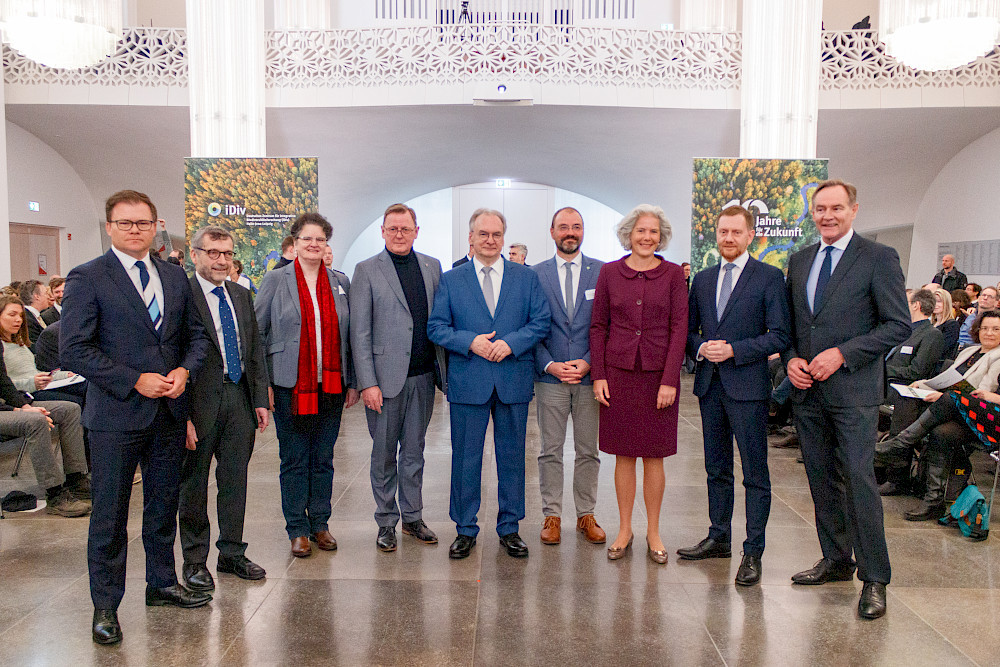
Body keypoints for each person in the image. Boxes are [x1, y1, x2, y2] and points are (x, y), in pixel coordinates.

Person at [61, 189, 212, 645]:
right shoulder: (88, 276)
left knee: (163, 505)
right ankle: (105, 606)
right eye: (125, 223)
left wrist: (185, 369)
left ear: (155, 226)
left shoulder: (173, 275)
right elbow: (74, 349)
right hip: (115, 416)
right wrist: (133, 379)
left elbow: (198, 336)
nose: (134, 230)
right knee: (109, 514)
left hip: (169, 412)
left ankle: (162, 583)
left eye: (142, 223)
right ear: (109, 227)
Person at [781, 179, 910, 620]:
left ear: (854, 210)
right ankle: (837, 559)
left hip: (853, 391)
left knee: (858, 481)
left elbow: (898, 324)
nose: (828, 215)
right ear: (812, 213)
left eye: (837, 208)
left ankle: (876, 578)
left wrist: (842, 354)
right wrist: (794, 358)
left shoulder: (878, 257)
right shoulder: (799, 261)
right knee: (821, 480)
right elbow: (795, 327)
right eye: (820, 209)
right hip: (808, 392)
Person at [428, 208, 550, 560]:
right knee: (465, 458)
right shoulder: (453, 279)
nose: (490, 240)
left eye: (497, 234)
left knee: (512, 458)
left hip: (512, 377)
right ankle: (465, 528)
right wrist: (471, 341)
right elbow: (436, 327)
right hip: (469, 380)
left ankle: (510, 528)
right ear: (471, 237)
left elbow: (541, 321)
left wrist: (511, 343)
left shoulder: (525, 278)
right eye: (483, 234)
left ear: (503, 238)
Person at [680, 205, 790, 586]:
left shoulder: (770, 277)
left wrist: (734, 350)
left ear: (750, 235)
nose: (728, 238)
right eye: (722, 231)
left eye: (735, 232)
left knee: (755, 474)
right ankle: (718, 536)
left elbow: (779, 335)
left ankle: (753, 550)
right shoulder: (704, 278)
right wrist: (701, 347)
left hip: (747, 388)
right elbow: (689, 332)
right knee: (716, 469)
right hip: (710, 386)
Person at [255, 212, 359, 559]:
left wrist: (353, 381)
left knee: (324, 458)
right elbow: (257, 334)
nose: (314, 245)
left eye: (320, 240)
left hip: (330, 385)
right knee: (295, 458)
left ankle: (321, 523)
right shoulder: (276, 280)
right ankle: (297, 529)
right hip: (289, 385)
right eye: (307, 239)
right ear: (294, 243)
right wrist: (262, 384)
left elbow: (351, 337)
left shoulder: (339, 282)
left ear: (327, 245)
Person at [590, 204, 687, 565]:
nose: (647, 237)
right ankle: (625, 528)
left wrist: (670, 379)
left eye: (654, 232)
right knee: (623, 454)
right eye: (641, 231)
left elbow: (680, 329)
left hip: (657, 377)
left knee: (655, 455)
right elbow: (598, 326)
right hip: (618, 375)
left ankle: (654, 530)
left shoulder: (674, 275)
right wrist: (598, 374)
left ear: (661, 237)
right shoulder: (609, 273)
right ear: (629, 234)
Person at [178, 226, 271, 593]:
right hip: (197, 403)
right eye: (213, 252)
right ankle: (194, 561)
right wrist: (180, 413)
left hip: (239, 399)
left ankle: (231, 552)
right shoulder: (181, 296)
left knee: (235, 481)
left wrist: (260, 399)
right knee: (195, 484)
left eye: (227, 253)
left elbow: (254, 351)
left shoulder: (241, 294)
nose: (220, 260)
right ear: (196, 254)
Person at [350, 203, 447, 552]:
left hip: (422, 378)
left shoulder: (432, 267)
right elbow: (359, 332)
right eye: (392, 228)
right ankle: (386, 520)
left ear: (416, 231)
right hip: (384, 382)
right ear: (383, 231)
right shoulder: (367, 270)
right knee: (384, 455)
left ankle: (414, 517)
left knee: (415, 453)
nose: (399, 234)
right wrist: (368, 383)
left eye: (405, 228)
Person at [877, 310, 1000, 518]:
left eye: (996, 329)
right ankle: (931, 498)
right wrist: (925, 385)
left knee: (949, 399)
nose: (989, 333)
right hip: (958, 410)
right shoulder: (969, 352)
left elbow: (978, 393)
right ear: (977, 331)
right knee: (937, 428)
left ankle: (898, 446)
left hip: (985, 419)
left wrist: (942, 394)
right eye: (985, 328)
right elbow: (948, 378)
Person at [531, 207, 606, 547]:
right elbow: (529, 329)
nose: (570, 232)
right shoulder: (535, 275)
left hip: (590, 379)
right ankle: (552, 515)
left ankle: (585, 514)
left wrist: (590, 362)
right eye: (563, 227)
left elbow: (608, 327)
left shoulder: (602, 273)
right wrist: (549, 365)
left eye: (576, 226)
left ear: (583, 232)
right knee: (550, 450)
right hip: (551, 379)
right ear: (552, 232)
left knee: (588, 450)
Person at [0, 345, 91, 517]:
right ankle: (55, 493)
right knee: (36, 421)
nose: (18, 320)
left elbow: (4, 382)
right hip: (3, 408)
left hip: (10, 404)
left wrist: (25, 405)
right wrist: (18, 411)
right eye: (11, 315)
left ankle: (75, 479)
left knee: (70, 410)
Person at [0, 296, 86, 406]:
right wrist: (33, 383)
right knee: (75, 401)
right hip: (24, 393)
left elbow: (34, 373)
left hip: (37, 387)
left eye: (21, 315)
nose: (19, 319)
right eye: (12, 315)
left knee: (87, 389)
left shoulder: (18, 343)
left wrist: (64, 375)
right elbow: (5, 386)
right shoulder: (2, 346)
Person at [18, 279, 49, 351]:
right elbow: (34, 346)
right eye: (45, 293)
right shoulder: (27, 319)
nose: (48, 297)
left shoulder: (38, 316)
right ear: (37, 297)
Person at [931, 287, 961, 361]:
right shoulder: (931, 324)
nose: (935, 304)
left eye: (939, 301)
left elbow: (942, 348)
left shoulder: (952, 325)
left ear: (946, 303)